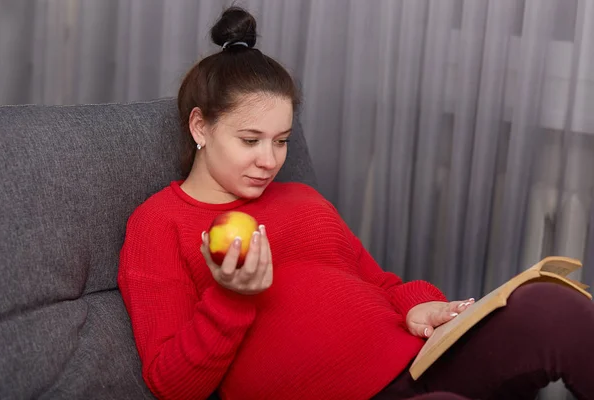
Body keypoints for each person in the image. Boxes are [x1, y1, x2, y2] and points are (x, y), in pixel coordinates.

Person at [118, 6, 594, 400]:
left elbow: (380, 283)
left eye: (281, 141)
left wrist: (419, 307)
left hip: (416, 359)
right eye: (250, 140)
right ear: (200, 127)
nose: (269, 161)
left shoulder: (302, 199)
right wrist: (230, 297)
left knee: (549, 303)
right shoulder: (160, 223)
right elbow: (171, 383)